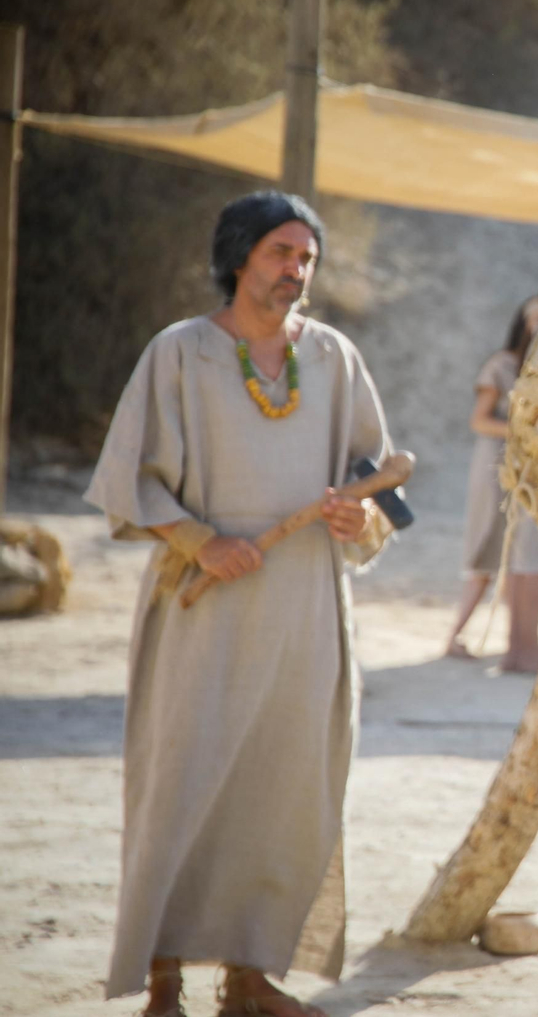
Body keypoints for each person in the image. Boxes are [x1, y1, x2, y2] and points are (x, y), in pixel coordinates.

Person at [85, 191, 395, 1017]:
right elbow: (132, 480)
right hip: (206, 611)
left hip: (304, 611)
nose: (296, 271)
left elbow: (382, 487)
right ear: (238, 259)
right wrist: (198, 540)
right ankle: (163, 981)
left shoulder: (332, 357)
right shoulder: (179, 354)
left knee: (285, 785)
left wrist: (358, 514)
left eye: (307, 259)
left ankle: (252, 979)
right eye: (280, 254)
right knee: (181, 786)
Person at [444, 277, 538, 670]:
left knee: (524, 554)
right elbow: (480, 421)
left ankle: (519, 646)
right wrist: (525, 433)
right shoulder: (504, 365)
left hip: (531, 466)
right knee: (491, 550)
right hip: (496, 467)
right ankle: (490, 643)